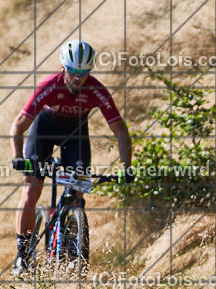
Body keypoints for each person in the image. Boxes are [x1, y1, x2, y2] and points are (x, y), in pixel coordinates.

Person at [9, 40, 132, 276]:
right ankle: (22, 255)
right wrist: (17, 157)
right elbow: (18, 126)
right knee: (31, 190)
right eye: (74, 71)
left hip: (75, 136)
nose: (78, 78)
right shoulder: (49, 86)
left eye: (84, 73)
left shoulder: (96, 90)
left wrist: (126, 167)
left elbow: (120, 131)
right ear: (63, 68)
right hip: (43, 133)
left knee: (77, 194)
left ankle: (74, 253)